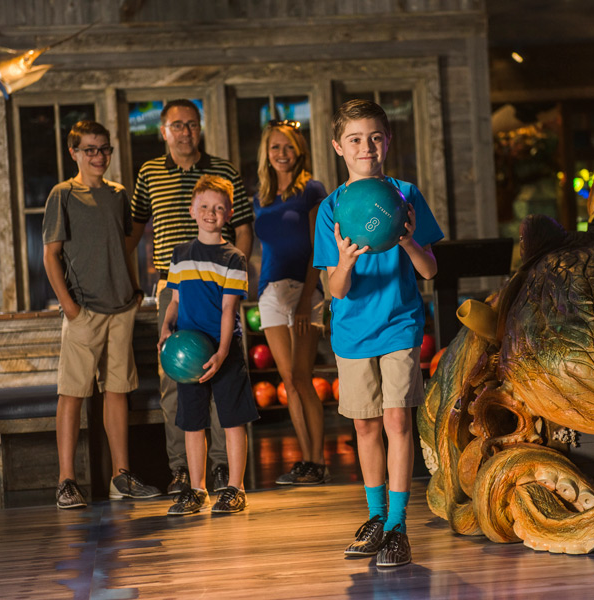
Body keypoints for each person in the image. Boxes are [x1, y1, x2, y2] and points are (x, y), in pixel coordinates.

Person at [313, 100, 443, 567]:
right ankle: (374, 517)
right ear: (338, 148)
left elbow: (429, 270)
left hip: (400, 324)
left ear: (386, 142)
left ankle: (397, 527)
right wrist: (345, 262)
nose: (365, 147)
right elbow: (336, 288)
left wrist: (407, 238)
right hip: (352, 332)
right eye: (354, 139)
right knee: (365, 425)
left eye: (374, 138)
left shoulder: (405, 193)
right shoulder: (331, 209)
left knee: (396, 422)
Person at [128, 99, 254, 497]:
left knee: (223, 374)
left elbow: (246, 226)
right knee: (178, 380)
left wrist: (235, 270)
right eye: (177, 125)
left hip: (220, 283)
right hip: (175, 284)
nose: (185, 131)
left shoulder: (223, 170)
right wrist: (133, 284)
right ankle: (183, 471)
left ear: (200, 128)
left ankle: (222, 469)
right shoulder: (149, 172)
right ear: (164, 131)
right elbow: (134, 231)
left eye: (192, 124)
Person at [43, 120, 161, 509]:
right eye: (90, 149)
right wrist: (71, 309)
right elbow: (51, 255)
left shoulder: (118, 195)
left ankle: (121, 476)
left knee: (117, 390)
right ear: (74, 152)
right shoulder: (63, 195)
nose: (98, 156)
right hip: (85, 311)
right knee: (72, 393)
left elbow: (124, 245)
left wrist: (133, 289)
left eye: (104, 149)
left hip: (121, 308)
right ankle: (66, 481)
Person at [158, 175, 259, 515]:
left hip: (223, 351)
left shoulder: (234, 258)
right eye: (204, 206)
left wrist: (222, 352)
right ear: (192, 210)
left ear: (229, 214)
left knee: (231, 420)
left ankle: (235, 488)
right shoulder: (180, 254)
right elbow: (174, 300)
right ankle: (197, 489)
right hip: (188, 354)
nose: (210, 213)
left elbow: (230, 310)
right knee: (193, 422)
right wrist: (166, 328)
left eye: (218, 208)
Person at [253, 120, 329, 485]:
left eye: (288, 147)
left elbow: (320, 247)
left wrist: (305, 300)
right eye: (275, 148)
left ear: (299, 150)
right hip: (269, 292)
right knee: (287, 378)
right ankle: (305, 460)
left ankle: (319, 460)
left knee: (302, 376)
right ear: (266, 154)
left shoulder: (312, 190)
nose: (281, 154)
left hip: (305, 291)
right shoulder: (261, 196)